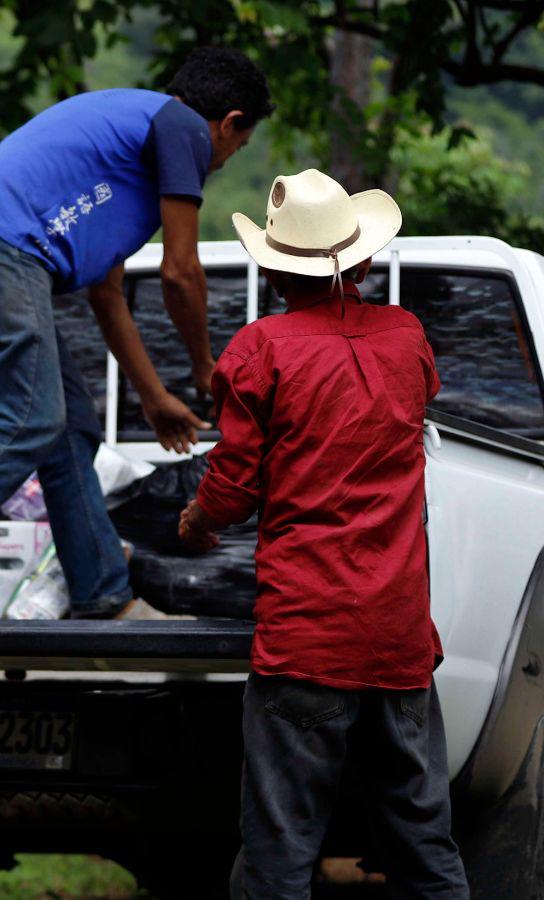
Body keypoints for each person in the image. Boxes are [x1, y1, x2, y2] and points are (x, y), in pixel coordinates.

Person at [178, 170, 469, 898]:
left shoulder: (260, 351)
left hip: (306, 640)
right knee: (424, 843)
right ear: (362, 261)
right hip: (400, 643)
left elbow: (234, 486)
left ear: (273, 271)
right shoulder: (407, 337)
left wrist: (194, 522)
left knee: (281, 853)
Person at [0, 46, 274, 619]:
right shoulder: (183, 128)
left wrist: (153, 396)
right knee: (30, 416)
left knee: (67, 428)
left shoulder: (129, 154)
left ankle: (104, 594)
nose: (221, 164)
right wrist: (203, 368)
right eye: (235, 151)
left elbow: (107, 294)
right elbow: (181, 272)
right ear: (231, 122)